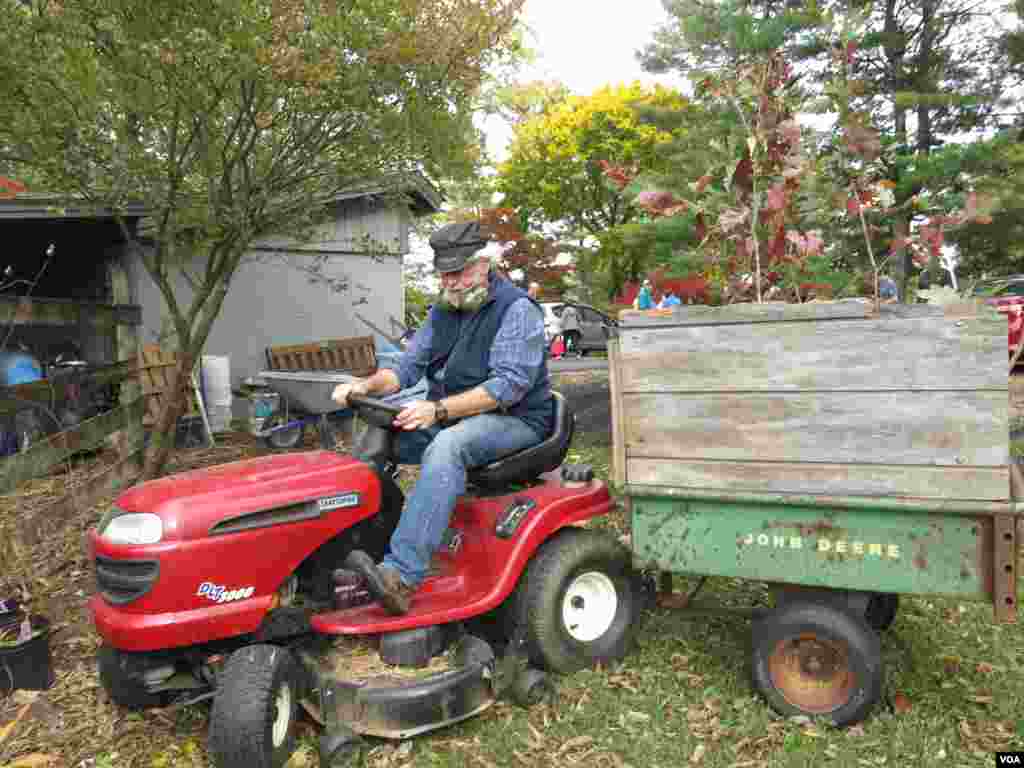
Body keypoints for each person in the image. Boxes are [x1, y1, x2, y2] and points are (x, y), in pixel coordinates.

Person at [331, 220, 554, 615]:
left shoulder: (517, 310)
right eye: (444, 274)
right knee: (380, 433)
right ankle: (359, 549)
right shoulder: (445, 310)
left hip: (517, 420)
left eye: (459, 272)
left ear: (484, 263)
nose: (450, 282)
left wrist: (437, 410)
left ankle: (401, 574)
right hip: (455, 414)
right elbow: (405, 369)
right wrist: (365, 386)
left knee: (447, 446)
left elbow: (507, 387)